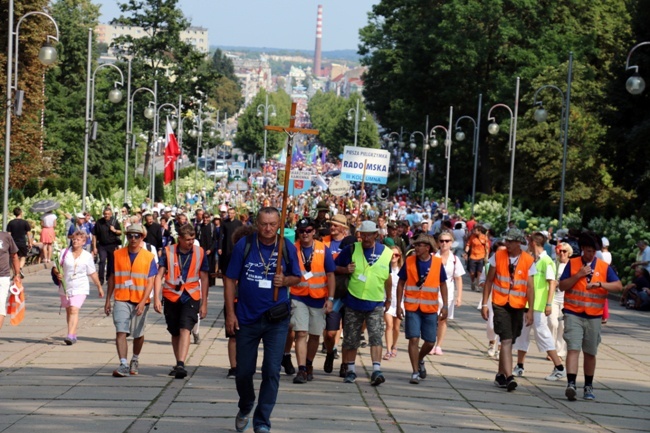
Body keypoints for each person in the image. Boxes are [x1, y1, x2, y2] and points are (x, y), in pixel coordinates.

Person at [224, 207, 302, 433]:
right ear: (256, 223)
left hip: (276, 319)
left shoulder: (286, 247)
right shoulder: (245, 245)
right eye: (264, 224)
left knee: (271, 370)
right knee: (243, 372)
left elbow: (298, 277)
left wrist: (285, 280)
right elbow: (230, 280)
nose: (268, 229)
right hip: (246, 319)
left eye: (273, 224)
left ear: (279, 224)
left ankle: (262, 421)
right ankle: (246, 404)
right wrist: (230, 313)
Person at [559, 232, 622, 401]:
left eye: (593, 251)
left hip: (594, 316)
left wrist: (601, 284)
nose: (591, 254)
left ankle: (588, 386)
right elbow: (562, 286)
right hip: (573, 313)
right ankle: (571, 384)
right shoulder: (572, 264)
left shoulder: (603, 266)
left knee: (590, 352)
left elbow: (618, 286)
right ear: (582, 250)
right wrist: (578, 275)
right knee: (573, 348)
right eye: (588, 251)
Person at [334, 220, 393, 386]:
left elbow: (388, 278)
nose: (366, 238)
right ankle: (351, 371)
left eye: (369, 234)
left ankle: (376, 370)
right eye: (363, 234)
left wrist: (389, 298)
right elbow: (333, 266)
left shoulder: (386, 253)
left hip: (375, 302)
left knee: (376, 336)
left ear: (376, 235)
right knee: (351, 339)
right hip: (353, 301)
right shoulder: (351, 249)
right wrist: (346, 269)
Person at [481, 228, 535, 392]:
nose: (507, 244)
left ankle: (500, 375)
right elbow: (489, 281)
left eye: (511, 241)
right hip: (500, 303)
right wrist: (485, 304)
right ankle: (510, 376)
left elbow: (530, 287)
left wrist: (530, 310)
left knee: (510, 340)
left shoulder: (527, 260)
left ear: (519, 242)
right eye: (507, 240)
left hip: (518, 305)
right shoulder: (498, 256)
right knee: (505, 339)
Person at [154, 224, 209, 379]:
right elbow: (159, 275)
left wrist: (204, 302)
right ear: (180, 239)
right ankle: (178, 361)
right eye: (187, 240)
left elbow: (204, 277)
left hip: (191, 294)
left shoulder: (200, 252)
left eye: (192, 239)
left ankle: (181, 364)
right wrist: (156, 298)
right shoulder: (168, 251)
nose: (190, 242)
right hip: (171, 295)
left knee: (186, 327)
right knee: (174, 330)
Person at [104, 223, 157, 377]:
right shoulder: (118, 254)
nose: (133, 239)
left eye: (136, 236)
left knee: (138, 334)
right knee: (121, 330)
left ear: (142, 237)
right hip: (121, 298)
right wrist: (108, 299)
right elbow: (112, 278)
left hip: (140, 300)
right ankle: (123, 364)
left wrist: (143, 301)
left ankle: (135, 358)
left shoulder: (149, 257)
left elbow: (150, 282)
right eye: (130, 236)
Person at [286, 218, 335, 384]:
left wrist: (331, 299)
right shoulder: (293, 249)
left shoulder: (323, 249)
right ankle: (301, 370)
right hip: (299, 296)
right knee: (300, 333)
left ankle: (309, 364)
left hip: (319, 298)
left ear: (314, 231)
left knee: (314, 335)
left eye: (308, 230)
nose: (305, 234)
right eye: (301, 231)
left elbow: (330, 275)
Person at [512, 232, 566, 381]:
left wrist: (549, 304)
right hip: (528, 303)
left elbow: (552, 283)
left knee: (542, 334)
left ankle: (559, 367)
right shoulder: (532, 260)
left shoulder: (546, 261)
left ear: (533, 243)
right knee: (522, 334)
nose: (527, 244)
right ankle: (520, 366)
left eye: (529, 242)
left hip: (539, 305)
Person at [396, 234, 448, 384]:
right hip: (412, 307)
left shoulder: (437, 263)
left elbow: (443, 284)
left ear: (428, 247)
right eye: (416, 245)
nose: (416, 247)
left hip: (430, 308)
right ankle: (415, 372)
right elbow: (401, 283)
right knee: (413, 338)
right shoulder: (410, 261)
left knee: (430, 342)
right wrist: (399, 304)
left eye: (420, 245)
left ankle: (419, 359)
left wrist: (445, 305)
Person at [52, 231, 103, 344]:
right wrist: (58, 273)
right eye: (74, 239)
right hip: (66, 286)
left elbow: (92, 273)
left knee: (74, 309)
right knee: (69, 310)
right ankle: (73, 333)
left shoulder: (87, 256)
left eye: (78, 239)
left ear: (84, 242)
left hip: (80, 286)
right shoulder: (64, 252)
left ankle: (70, 335)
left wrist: (99, 286)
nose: (75, 241)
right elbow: (55, 267)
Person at [432, 230, 465, 355]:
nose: (444, 243)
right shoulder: (433, 257)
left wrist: (459, 296)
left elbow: (458, 278)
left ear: (451, 243)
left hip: (448, 294)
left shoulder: (455, 259)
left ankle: (438, 345)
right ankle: (430, 342)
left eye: (447, 241)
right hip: (433, 293)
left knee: (443, 320)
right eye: (442, 241)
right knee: (431, 319)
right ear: (438, 243)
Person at [549, 242, 572, 360]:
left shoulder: (572, 266)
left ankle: (560, 351)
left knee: (563, 326)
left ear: (569, 253)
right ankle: (551, 350)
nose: (562, 253)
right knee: (553, 323)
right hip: (554, 298)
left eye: (565, 251)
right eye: (560, 251)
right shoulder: (554, 264)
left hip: (566, 299)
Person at [93, 207, 122, 286]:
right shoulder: (99, 222)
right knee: (102, 260)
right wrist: (94, 247)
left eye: (108, 214)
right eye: (105, 214)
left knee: (111, 262)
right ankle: (101, 279)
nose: (106, 215)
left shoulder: (114, 221)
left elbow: (120, 232)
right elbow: (94, 235)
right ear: (103, 214)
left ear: (111, 214)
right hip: (102, 245)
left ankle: (109, 278)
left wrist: (114, 230)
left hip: (112, 245)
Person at [383, 246, 403, 360]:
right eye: (392, 255)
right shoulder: (385, 267)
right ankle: (388, 351)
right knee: (389, 325)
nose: (394, 257)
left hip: (399, 301)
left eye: (396, 255)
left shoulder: (402, 269)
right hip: (386, 301)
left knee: (396, 327)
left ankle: (394, 345)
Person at [0, 230, 21, 331]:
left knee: (0, 306)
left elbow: (14, 256)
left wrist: (17, 274)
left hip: (3, 277)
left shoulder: (5, 236)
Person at [6, 207, 32, 277]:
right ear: (21, 213)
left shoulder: (11, 223)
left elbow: (8, 234)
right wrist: (30, 242)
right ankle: (20, 268)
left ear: (14, 214)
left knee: (13, 258)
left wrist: (8, 244)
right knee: (23, 256)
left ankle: (15, 273)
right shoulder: (25, 222)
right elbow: (28, 233)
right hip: (22, 242)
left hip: (13, 243)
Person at [219, 207, 243, 280]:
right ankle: (225, 277)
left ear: (234, 214)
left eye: (231, 213)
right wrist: (220, 247)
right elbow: (220, 235)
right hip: (226, 245)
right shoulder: (224, 222)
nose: (230, 215)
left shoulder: (238, 223)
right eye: (229, 213)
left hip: (235, 244)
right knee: (226, 261)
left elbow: (241, 234)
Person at [464, 225, 490, 291]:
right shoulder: (472, 237)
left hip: (481, 257)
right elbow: (468, 245)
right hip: (473, 256)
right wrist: (466, 252)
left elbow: (487, 248)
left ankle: (477, 285)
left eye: (475, 230)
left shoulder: (485, 237)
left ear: (479, 231)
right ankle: (473, 282)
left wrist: (486, 256)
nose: (474, 231)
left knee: (479, 272)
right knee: (472, 273)